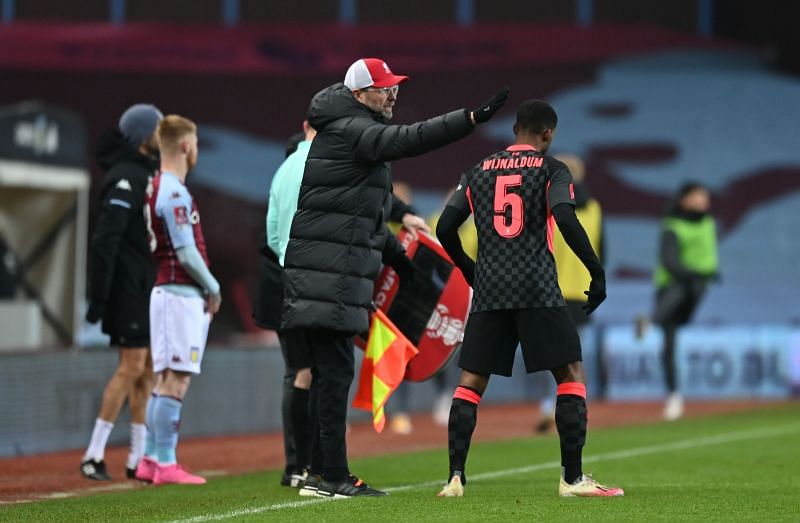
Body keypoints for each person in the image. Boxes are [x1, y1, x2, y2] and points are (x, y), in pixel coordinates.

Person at [282, 57, 509, 498]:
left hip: (328, 274)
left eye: (395, 87)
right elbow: (409, 139)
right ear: (359, 94)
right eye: (384, 88)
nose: (393, 94)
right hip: (330, 278)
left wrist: (400, 247)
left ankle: (321, 472)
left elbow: (358, 217)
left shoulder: (344, 128)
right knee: (333, 376)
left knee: (330, 375)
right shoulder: (353, 130)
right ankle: (330, 476)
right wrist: (469, 120)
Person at [435, 99, 623, 498]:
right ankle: (572, 479)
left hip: (491, 290)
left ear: (514, 128)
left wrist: (471, 270)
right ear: (548, 133)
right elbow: (565, 216)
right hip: (537, 285)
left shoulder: (477, 171)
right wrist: (596, 269)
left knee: (471, 382)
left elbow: (446, 228)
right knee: (570, 374)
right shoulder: (552, 169)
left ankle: (454, 477)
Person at [134, 115, 221, 486]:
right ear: (185, 146)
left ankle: (151, 458)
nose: (197, 149)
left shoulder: (157, 187)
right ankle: (165, 461)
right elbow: (186, 253)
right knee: (176, 380)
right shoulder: (173, 192)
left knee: (165, 378)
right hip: (178, 292)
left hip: (169, 292)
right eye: (196, 143)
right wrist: (213, 287)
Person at [80, 104, 161, 481]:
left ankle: (137, 458)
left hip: (144, 287)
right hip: (128, 288)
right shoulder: (126, 178)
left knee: (145, 371)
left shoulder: (144, 174)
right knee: (131, 368)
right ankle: (93, 455)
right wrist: (101, 295)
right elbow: (105, 240)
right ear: (144, 136)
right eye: (158, 130)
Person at [534, 153, 603, 433]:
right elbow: (601, 251)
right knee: (577, 355)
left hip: (550, 287)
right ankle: (576, 408)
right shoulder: (595, 208)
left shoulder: (545, 204)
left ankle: (547, 405)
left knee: (548, 352)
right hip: (582, 289)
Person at [653, 182, 718, 421]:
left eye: (705, 195)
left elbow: (708, 258)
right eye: (698, 196)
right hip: (671, 288)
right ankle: (674, 397)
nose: (704, 200)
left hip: (694, 289)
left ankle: (651, 320)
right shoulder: (672, 227)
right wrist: (695, 274)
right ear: (684, 199)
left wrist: (705, 273)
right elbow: (669, 262)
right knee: (669, 343)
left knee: (685, 291)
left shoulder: (709, 224)